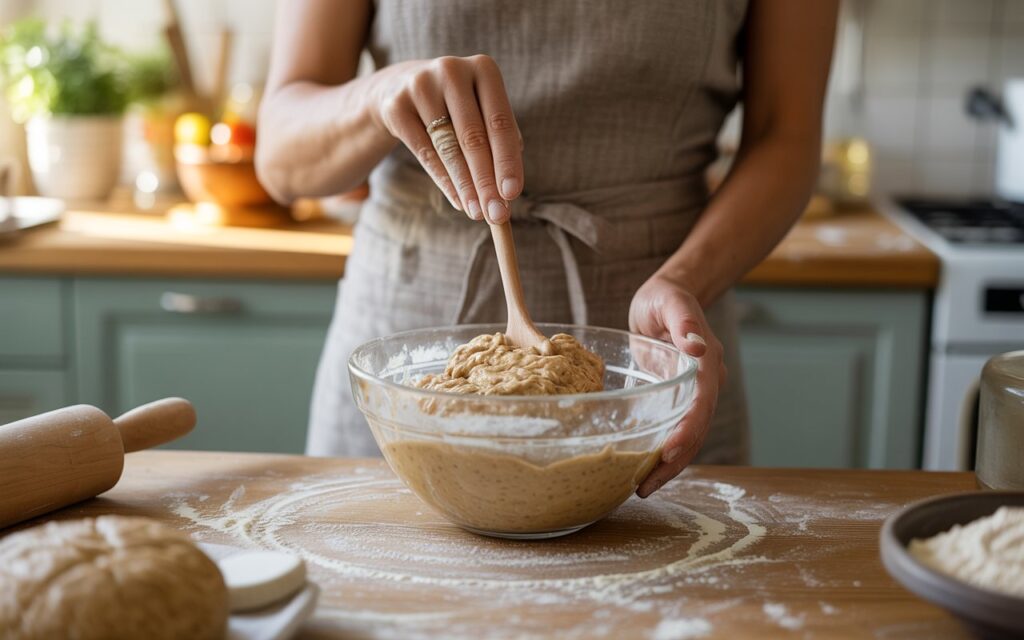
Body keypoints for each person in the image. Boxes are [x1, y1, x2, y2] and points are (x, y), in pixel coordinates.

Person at [257, 0, 838, 497]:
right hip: (405, 357)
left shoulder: (662, 345)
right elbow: (282, 160)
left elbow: (783, 136)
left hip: (654, 359)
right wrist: (378, 98)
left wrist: (686, 280)